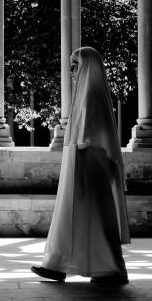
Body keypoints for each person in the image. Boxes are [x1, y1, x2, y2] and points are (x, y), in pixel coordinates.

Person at [31, 46, 130, 285]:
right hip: (81, 159)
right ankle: (59, 265)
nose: (71, 71)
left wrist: (81, 146)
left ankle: (109, 269)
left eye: (76, 66)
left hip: (90, 161)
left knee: (94, 214)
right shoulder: (87, 92)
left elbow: (96, 132)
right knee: (74, 213)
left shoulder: (93, 92)